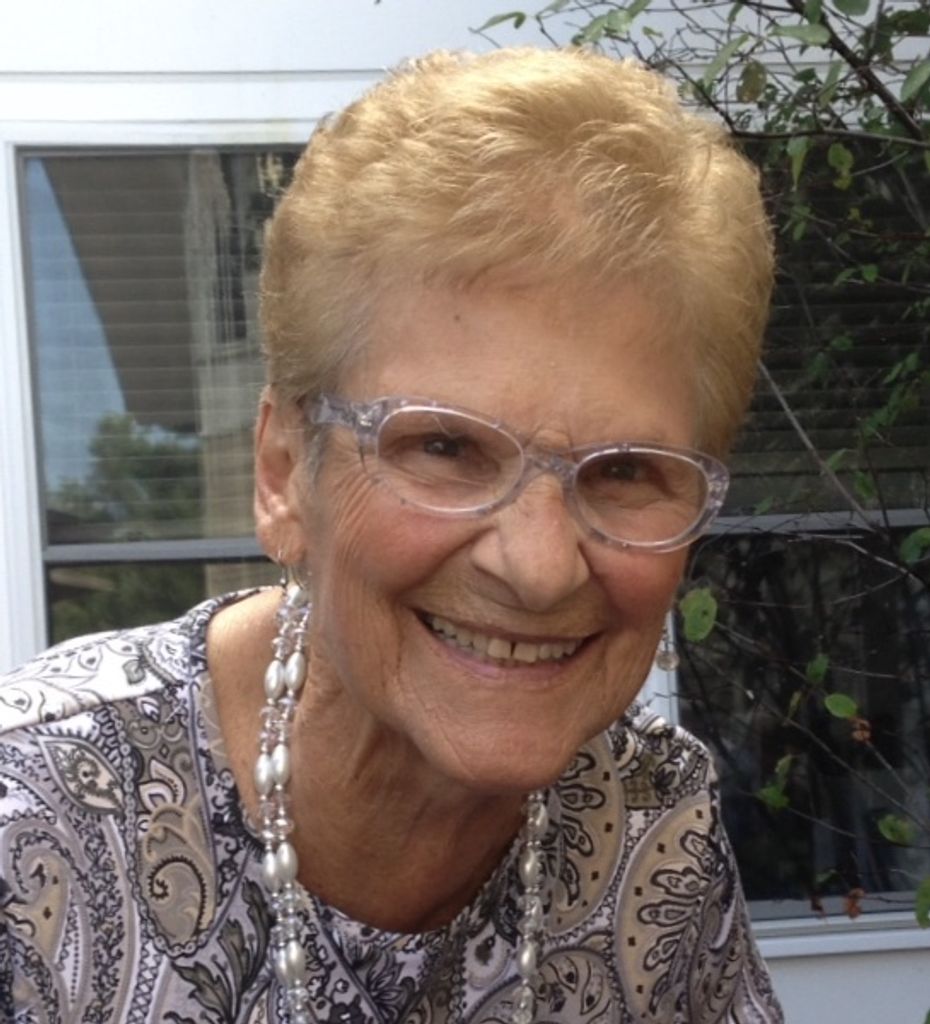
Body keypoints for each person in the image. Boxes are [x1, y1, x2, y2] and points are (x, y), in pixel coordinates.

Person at [0, 47, 782, 1023]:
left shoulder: (655, 821)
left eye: (626, 471)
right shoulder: (33, 834)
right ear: (284, 471)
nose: (541, 568)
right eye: (444, 447)